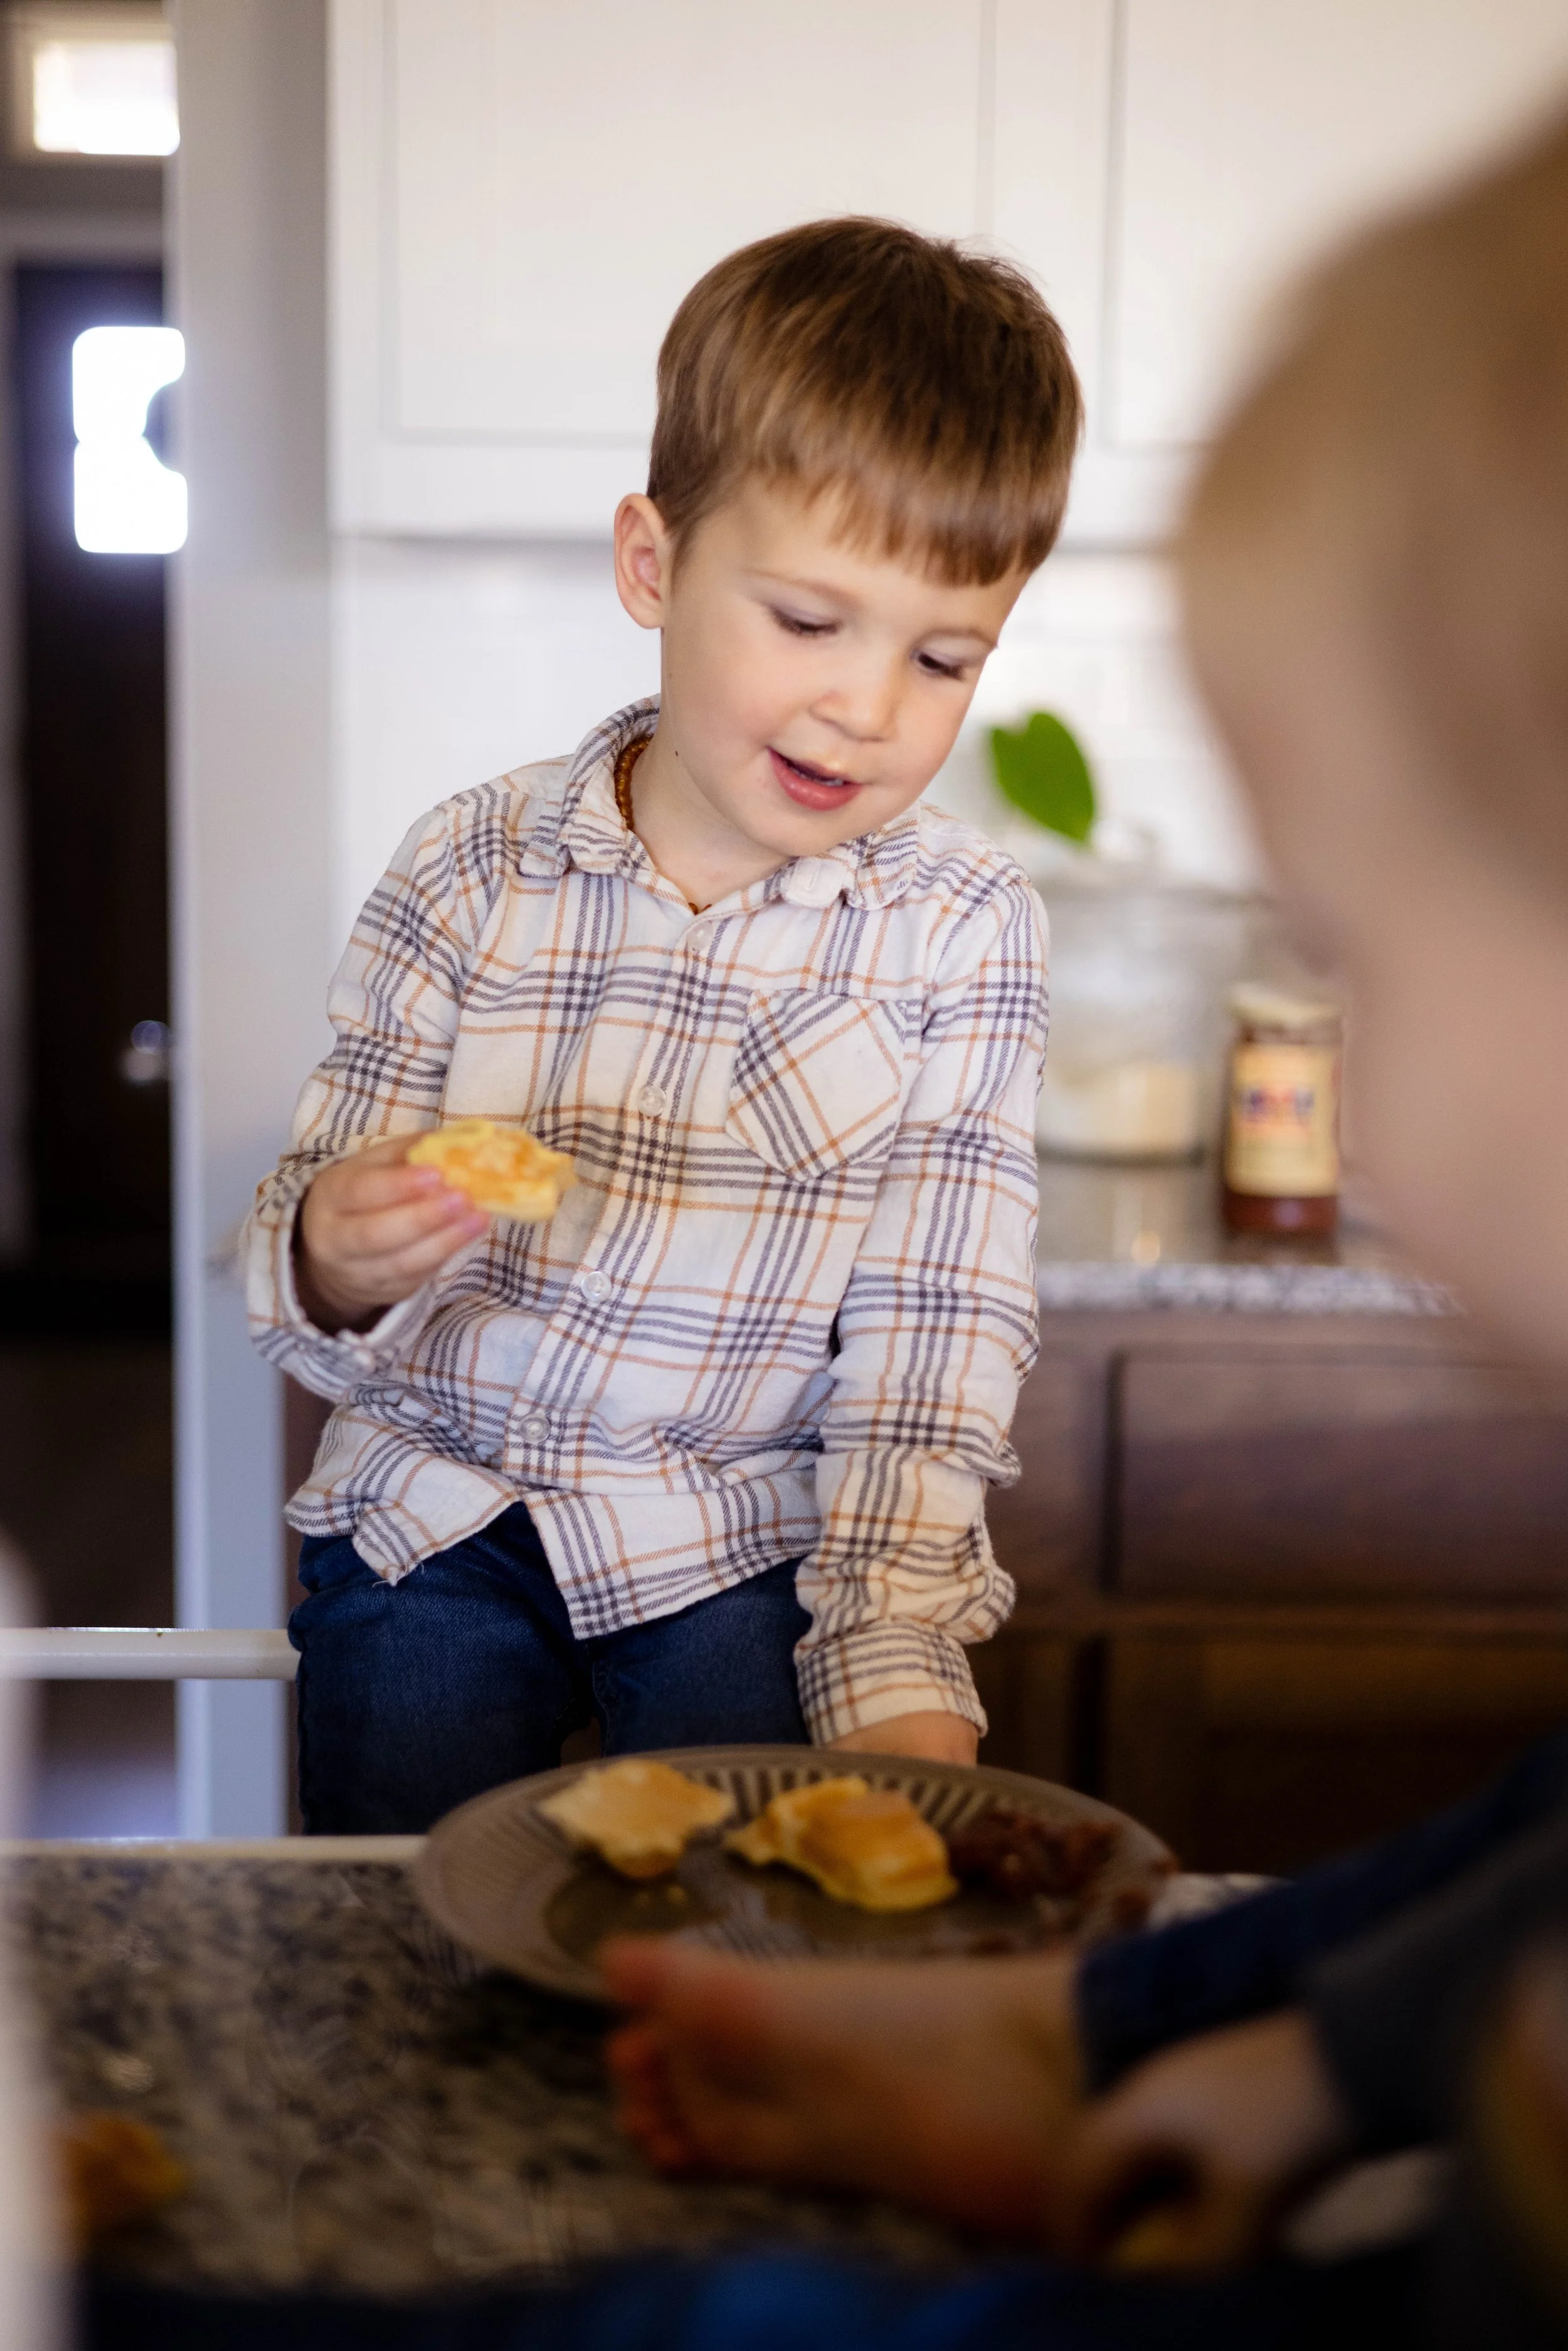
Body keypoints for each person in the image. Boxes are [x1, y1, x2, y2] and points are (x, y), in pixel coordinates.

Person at [243, 219, 1080, 1832]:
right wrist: (334, 1252)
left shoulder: (961, 930)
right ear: (654, 564)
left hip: (737, 1543)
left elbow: (931, 1341)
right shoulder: (467, 862)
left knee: (748, 1951)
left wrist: (899, 1656)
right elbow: (297, 1275)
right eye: (808, 620)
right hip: (430, 1508)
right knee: (413, 1934)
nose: (867, 705)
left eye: (941, 654)